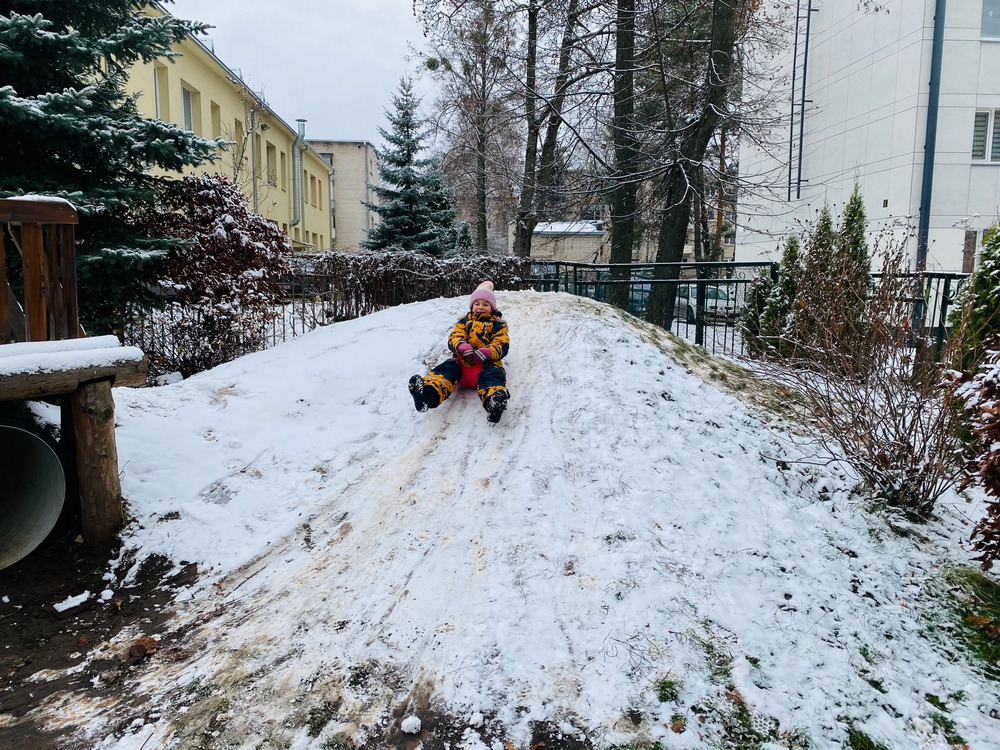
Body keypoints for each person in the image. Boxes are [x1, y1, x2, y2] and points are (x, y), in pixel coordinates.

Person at [408, 281, 510, 423]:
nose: (481, 307)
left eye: (486, 304)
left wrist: (488, 352)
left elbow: (501, 343)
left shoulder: (498, 325)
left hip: (486, 364)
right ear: (471, 306)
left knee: (494, 376)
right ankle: (427, 395)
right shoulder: (463, 322)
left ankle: (494, 403)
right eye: (477, 303)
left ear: (492, 308)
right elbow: (455, 336)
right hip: (462, 364)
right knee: (447, 369)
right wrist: (461, 346)